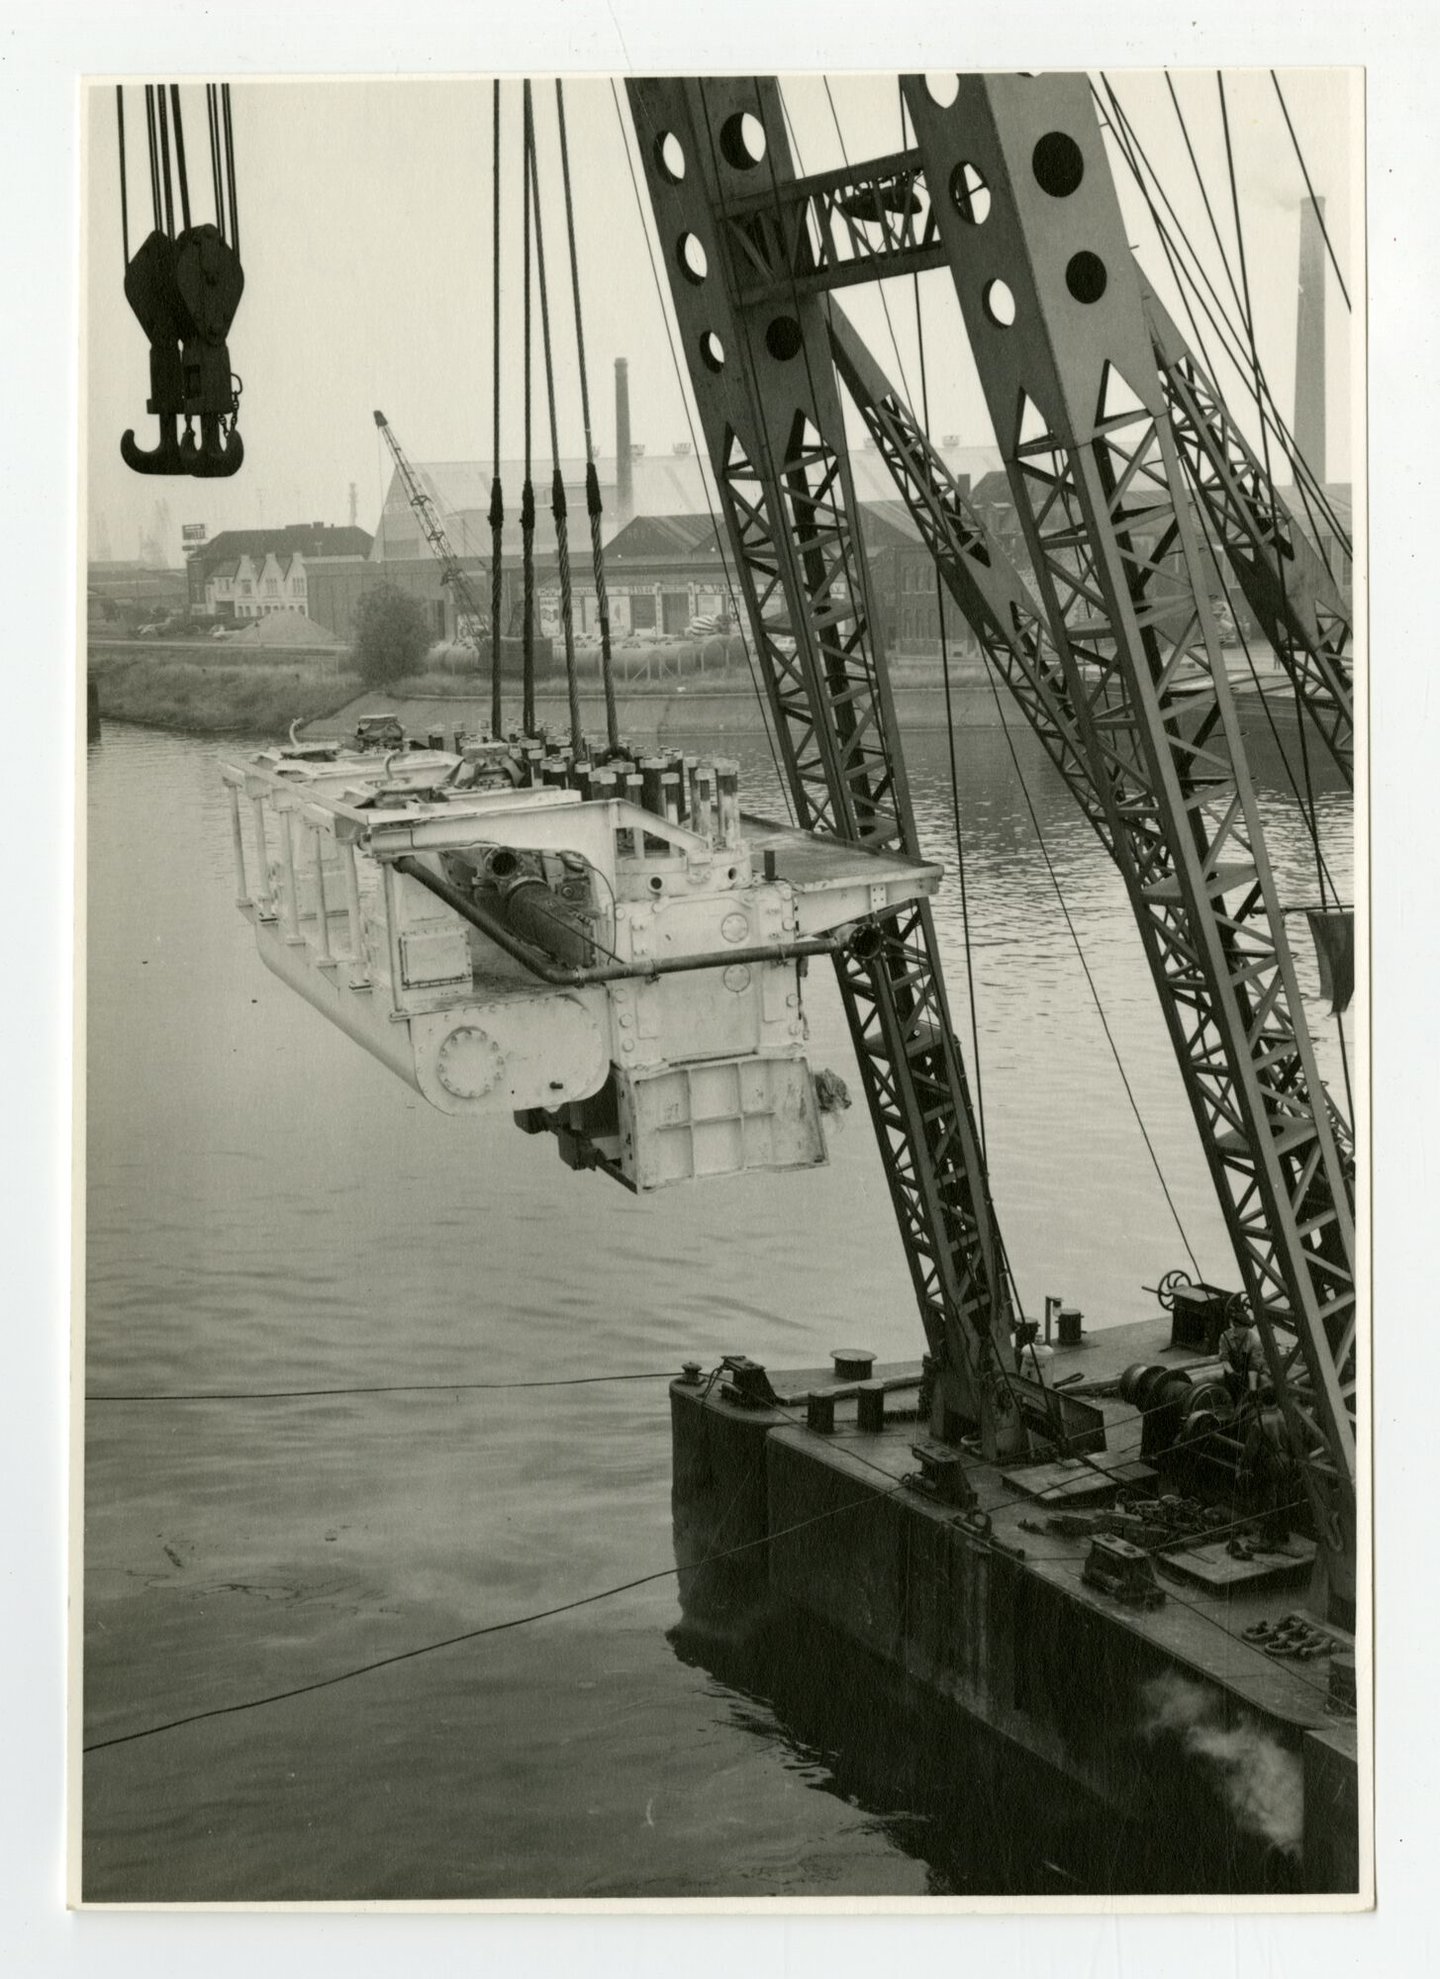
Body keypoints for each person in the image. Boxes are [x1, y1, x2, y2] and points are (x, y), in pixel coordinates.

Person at [1218, 1302, 1267, 1408]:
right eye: (1234, 1327)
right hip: (1232, 1371)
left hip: (1249, 1372)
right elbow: (1224, 1358)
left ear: (1246, 1328)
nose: (1235, 1330)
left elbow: (1254, 1365)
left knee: (1251, 1395)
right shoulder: (1225, 1337)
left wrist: (1252, 1389)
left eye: (1239, 1328)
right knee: (1233, 1395)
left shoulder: (1254, 1339)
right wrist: (1231, 1373)